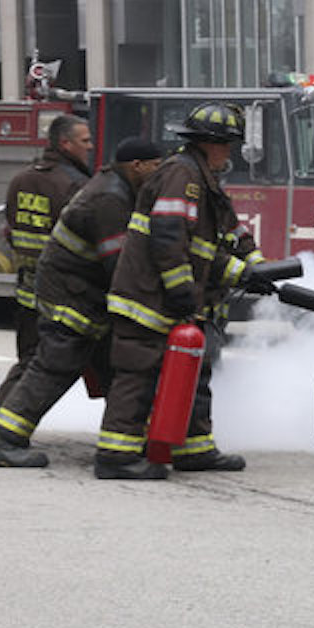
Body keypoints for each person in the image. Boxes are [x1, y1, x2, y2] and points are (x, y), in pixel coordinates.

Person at [92, 102, 264, 479]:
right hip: (149, 298)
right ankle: (116, 457)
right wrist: (181, 291)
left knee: (195, 370)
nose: (229, 153)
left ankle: (194, 449)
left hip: (175, 297)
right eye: (227, 145)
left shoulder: (202, 178)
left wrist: (254, 266)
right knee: (138, 374)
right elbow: (168, 237)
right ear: (209, 143)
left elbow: (222, 235)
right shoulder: (181, 175)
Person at [0, 137, 165, 467]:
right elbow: (119, 263)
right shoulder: (110, 197)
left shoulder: (118, 187)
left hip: (81, 291)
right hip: (71, 294)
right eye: (156, 166)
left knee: (114, 366)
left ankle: (127, 441)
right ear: (137, 166)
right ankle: (4, 439)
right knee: (57, 364)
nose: (160, 174)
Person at [0, 114, 95, 410]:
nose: (90, 147)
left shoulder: (21, 178)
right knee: (53, 366)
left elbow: (10, 232)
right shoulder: (76, 185)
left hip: (26, 292)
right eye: (84, 141)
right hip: (63, 294)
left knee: (29, 361)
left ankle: (0, 416)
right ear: (65, 143)